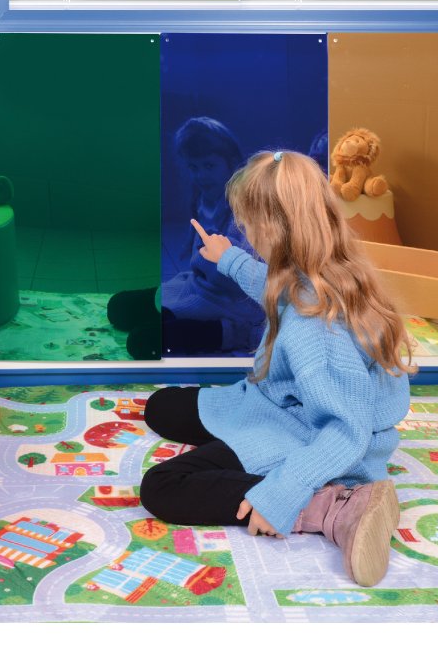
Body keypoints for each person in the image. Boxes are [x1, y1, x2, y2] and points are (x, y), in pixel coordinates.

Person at [139, 149, 416, 587]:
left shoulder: (315, 331)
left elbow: (347, 431)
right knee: (162, 407)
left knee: (163, 486)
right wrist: (227, 256)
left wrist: (286, 491)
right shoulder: (321, 270)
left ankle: (334, 506)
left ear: (270, 229)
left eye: (246, 225)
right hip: (288, 405)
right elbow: (273, 288)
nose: (245, 233)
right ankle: (251, 448)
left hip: (313, 434)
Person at [108, 116, 264, 358]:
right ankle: (177, 312)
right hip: (196, 285)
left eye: (209, 166)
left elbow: (249, 277)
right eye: (194, 167)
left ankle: (229, 333)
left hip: (231, 304)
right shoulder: (204, 196)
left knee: (141, 342)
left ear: (232, 162)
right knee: (119, 308)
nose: (201, 176)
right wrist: (190, 247)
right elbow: (198, 229)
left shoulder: (245, 211)